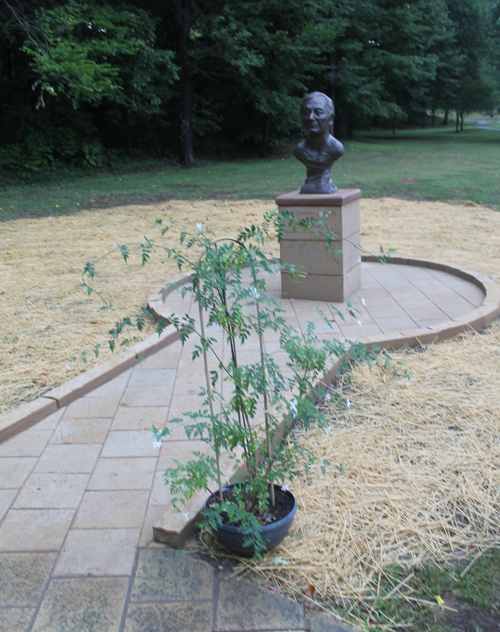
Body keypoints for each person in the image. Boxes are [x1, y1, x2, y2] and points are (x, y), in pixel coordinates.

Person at [294, 92, 344, 194]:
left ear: (330, 119)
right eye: (306, 112)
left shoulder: (336, 148)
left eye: (318, 112)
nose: (311, 117)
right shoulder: (299, 150)